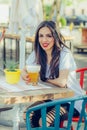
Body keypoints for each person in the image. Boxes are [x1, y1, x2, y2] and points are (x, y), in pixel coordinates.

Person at [21, 20, 85, 127]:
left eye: (48, 36)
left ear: (55, 36)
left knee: (44, 121)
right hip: (50, 98)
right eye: (41, 36)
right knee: (28, 114)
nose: (44, 40)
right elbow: (24, 70)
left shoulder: (64, 53)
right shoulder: (38, 52)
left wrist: (41, 78)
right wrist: (25, 75)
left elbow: (62, 82)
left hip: (71, 101)